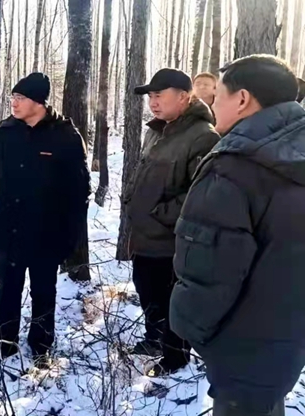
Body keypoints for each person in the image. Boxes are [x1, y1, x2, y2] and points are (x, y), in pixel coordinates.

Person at [171, 55, 305, 416]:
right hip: (288, 338)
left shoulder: (233, 167)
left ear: (242, 99)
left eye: (218, 95)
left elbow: (210, 267)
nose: (212, 104)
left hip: (241, 343)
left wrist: (189, 326)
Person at [0, 73, 91, 369]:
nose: (13, 103)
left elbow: (79, 190)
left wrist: (72, 235)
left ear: (39, 102)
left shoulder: (65, 135)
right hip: (8, 229)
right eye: (12, 97)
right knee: (8, 290)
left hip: (46, 232)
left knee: (44, 291)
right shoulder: (3, 134)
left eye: (20, 98)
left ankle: (41, 344)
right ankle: (5, 342)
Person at [124, 68, 219, 376]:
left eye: (159, 95)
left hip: (171, 240)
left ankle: (175, 358)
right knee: (147, 290)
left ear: (183, 97)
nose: (153, 102)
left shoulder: (203, 136)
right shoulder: (155, 131)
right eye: (150, 96)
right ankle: (154, 339)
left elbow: (202, 194)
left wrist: (159, 213)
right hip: (144, 236)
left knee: (170, 301)